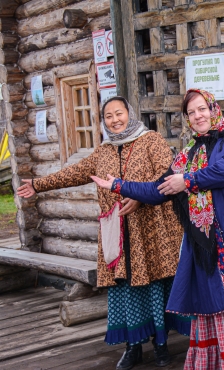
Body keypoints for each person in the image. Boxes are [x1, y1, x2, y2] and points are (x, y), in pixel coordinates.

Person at [91, 88, 224, 370]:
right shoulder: (189, 154)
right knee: (220, 302)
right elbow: (159, 189)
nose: (197, 116)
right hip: (211, 244)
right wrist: (119, 185)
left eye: (201, 109)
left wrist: (188, 181)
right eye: (191, 112)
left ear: (213, 108)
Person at [16, 96, 191, 370]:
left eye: (118, 113)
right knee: (125, 288)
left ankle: (161, 344)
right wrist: (37, 184)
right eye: (108, 116)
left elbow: (166, 176)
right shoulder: (104, 151)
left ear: (129, 114)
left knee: (155, 286)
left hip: (152, 232)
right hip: (118, 234)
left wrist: (139, 196)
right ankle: (132, 346)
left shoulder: (152, 141)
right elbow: (73, 173)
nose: (114, 120)